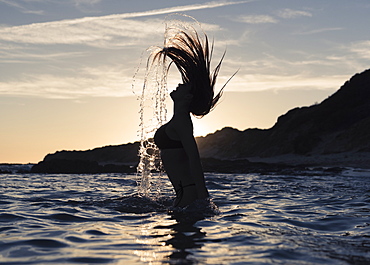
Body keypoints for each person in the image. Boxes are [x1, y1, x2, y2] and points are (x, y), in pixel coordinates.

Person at [152, 29, 232, 208]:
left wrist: (204, 199)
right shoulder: (178, 119)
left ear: (187, 98)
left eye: (184, 87)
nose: (179, 85)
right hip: (183, 195)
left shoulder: (182, 122)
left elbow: (194, 159)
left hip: (189, 195)